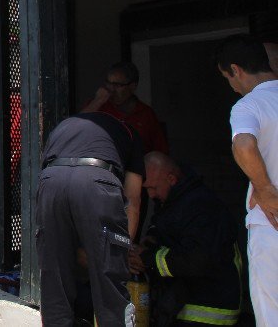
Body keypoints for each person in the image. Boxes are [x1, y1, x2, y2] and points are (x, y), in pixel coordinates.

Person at [36, 111, 145, 327]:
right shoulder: (129, 133)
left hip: (51, 180)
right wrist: (125, 249)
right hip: (97, 181)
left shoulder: (63, 127)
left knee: (54, 281)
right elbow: (133, 200)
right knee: (110, 285)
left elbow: (62, 188)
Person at [129, 152, 242, 326]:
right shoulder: (176, 202)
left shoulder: (201, 207)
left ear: (171, 178)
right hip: (185, 308)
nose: (150, 195)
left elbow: (196, 259)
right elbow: (165, 231)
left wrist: (147, 258)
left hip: (207, 311)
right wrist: (151, 240)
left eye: (153, 188)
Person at [215, 34, 278, 325]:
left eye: (228, 77)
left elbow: (243, 144)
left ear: (235, 70)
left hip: (271, 222)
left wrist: (265, 189)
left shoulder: (249, 105)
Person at [82, 61, 169, 155]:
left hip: (137, 166)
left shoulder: (146, 114)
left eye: (118, 85)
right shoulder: (98, 106)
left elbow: (161, 152)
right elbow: (75, 128)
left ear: (132, 86)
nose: (111, 89)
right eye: (108, 83)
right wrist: (97, 101)